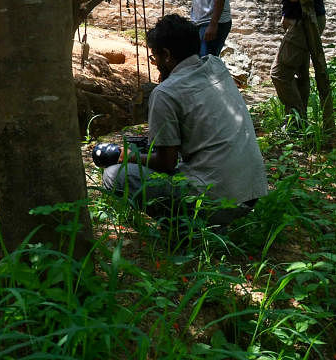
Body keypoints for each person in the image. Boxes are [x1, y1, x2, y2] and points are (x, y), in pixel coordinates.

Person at [102, 15, 268, 224]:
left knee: (114, 175)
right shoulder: (216, 66)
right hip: (251, 194)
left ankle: (186, 229)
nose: (155, 65)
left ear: (167, 55)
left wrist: (128, 156)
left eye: (155, 58)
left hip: (213, 204)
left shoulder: (165, 93)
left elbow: (166, 162)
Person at [270, 0, 326, 125]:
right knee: (300, 72)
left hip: (308, 22)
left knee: (279, 73)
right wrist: (286, 15)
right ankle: (297, 123)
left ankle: (298, 120)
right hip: (295, 22)